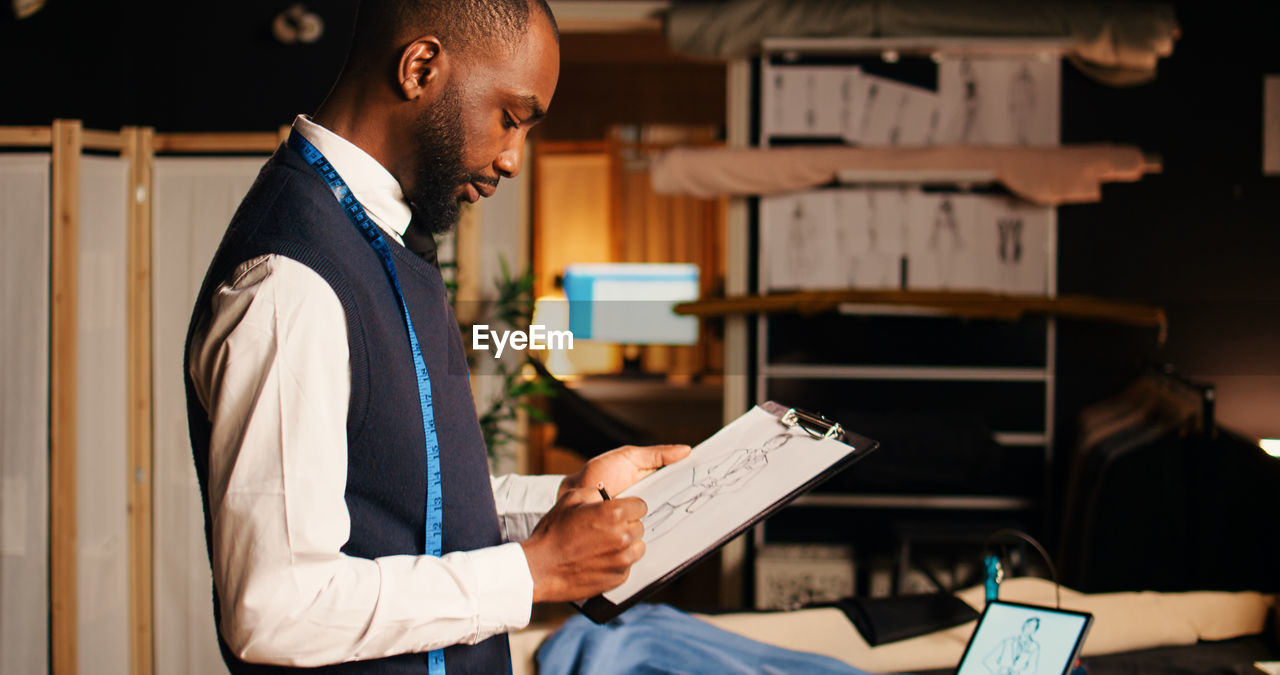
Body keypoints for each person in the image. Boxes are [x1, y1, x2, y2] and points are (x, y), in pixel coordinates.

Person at [183, 1, 689, 672]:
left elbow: (409, 500)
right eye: (511, 117)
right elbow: (276, 607)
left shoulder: (383, 235)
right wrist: (535, 572)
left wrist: (570, 499)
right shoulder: (290, 285)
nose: (513, 159)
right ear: (421, 67)